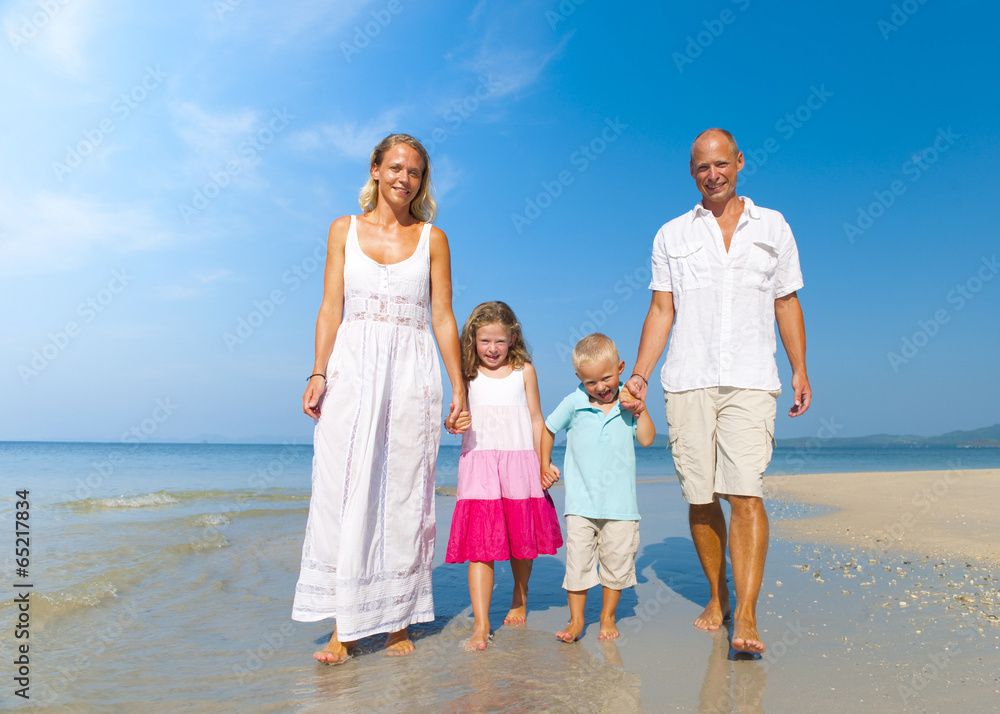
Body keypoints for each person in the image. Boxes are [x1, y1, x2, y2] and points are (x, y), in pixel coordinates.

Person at [624, 128, 811, 654]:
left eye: (722, 164)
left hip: (752, 378)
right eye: (703, 167)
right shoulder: (671, 235)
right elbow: (662, 309)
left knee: (745, 491)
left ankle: (746, 615)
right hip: (688, 378)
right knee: (701, 496)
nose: (714, 175)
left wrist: (799, 369)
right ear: (692, 172)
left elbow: (786, 303)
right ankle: (719, 595)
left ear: (740, 163)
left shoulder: (774, 226)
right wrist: (639, 374)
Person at [292, 133, 469, 664]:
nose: (403, 179)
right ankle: (344, 628)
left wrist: (459, 385)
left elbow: (441, 316)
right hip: (352, 371)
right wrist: (317, 372)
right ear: (375, 169)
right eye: (395, 168)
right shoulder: (342, 230)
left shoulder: (433, 239)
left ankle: (398, 621)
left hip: (413, 374)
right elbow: (330, 307)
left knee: (403, 494)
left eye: (414, 172)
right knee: (343, 491)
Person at [445, 301, 563, 650]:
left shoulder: (524, 370)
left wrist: (544, 462)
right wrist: (454, 424)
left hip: (520, 461)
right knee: (480, 547)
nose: (492, 349)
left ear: (513, 338)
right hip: (479, 463)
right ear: (473, 339)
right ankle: (481, 625)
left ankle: (520, 594)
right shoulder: (465, 373)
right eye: (484, 342)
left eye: (499, 341)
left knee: (520, 539)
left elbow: (537, 419)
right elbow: (454, 418)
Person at [540, 333, 655, 642]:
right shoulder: (574, 402)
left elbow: (646, 439)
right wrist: (544, 463)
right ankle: (577, 620)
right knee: (577, 564)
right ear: (579, 378)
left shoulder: (628, 403)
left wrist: (640, 411)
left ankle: (607, 616)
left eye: (607, 378)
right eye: (591, 382)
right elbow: (548, 428)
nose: (601, 387)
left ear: (620, 369)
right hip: (580, 504)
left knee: (616, 565)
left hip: (621, 507)